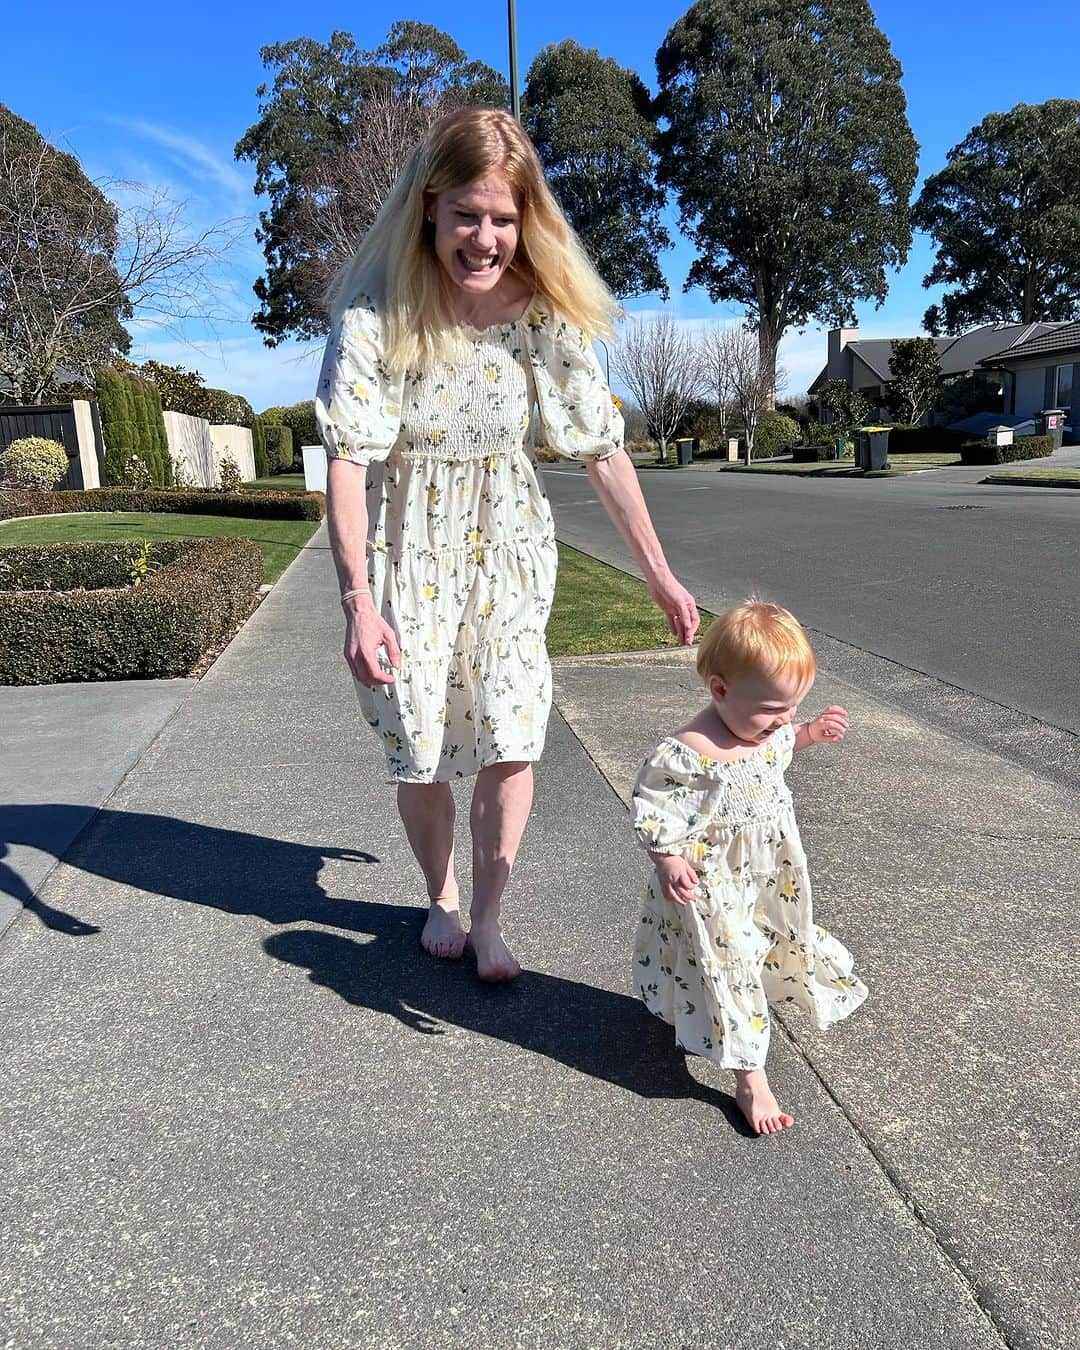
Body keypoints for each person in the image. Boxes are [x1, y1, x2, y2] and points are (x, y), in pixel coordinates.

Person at [315, 107, 699, 982]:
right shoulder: (379, 317)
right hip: (404, 554)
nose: (485, 238)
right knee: (419, 742)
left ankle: (490, 917)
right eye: (466, 216)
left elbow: (600, 447)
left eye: (502, 217)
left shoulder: (542, 317)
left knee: (513, 733)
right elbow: (348, 461)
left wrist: (660, 576)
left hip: (509, 551)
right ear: (430, 208)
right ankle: (441, 893)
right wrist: (358, 603)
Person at [630, 601, 868, 1134]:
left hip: (769, 875)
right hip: (710, 884)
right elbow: (651, 810)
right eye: (773, 709)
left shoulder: (763, 729)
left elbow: (781, 746)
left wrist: (809, 732)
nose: (782, 721)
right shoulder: (688, 752)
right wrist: (666, 859)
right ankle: (750, 1079)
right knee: (728, 963)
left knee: (760, 945)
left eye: (792, 707)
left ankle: (687, 1008)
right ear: (719, 690)